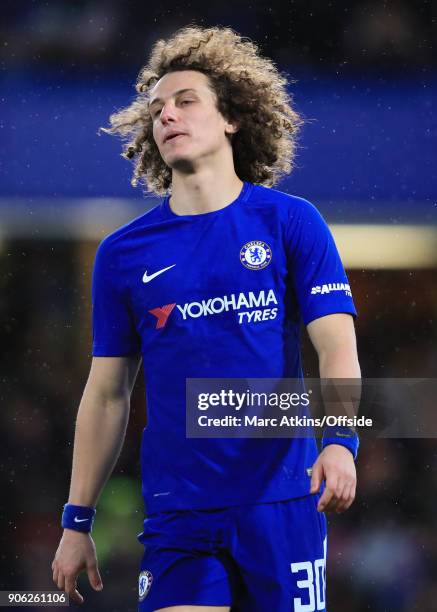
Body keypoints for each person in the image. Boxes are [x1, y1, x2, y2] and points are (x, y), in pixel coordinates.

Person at [51, 25, 361, 612]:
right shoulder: (123, 254)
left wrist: (342, 440)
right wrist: (76, 519)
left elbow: (336, 346)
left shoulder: (290, 223)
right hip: (179, 512)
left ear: (233, 119)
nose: (166, 115)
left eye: (186, 101)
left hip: (283, 501)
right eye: (157, 109)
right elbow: (107, 394)